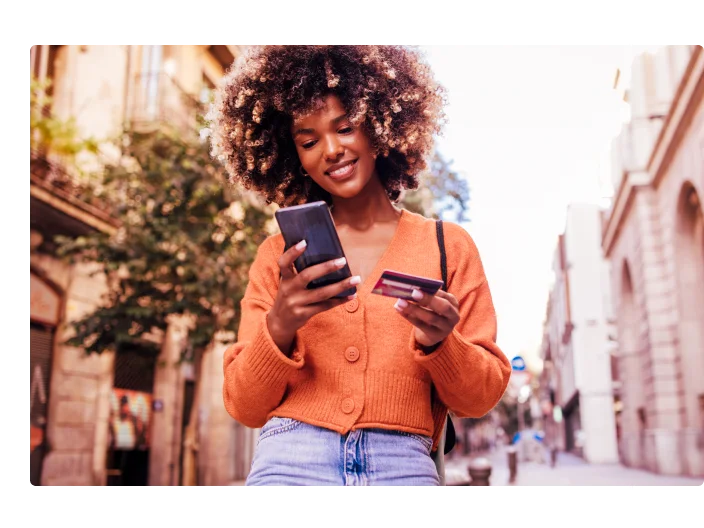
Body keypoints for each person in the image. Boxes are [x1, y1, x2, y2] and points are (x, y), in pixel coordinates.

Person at [208, 44, 511, 487]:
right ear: (293, 156)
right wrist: (279, 324)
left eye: (345, 127)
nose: (330, 150)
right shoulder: (278, 256)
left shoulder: (449, 246)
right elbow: (244, 405)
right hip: (290, 457)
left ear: (380, 126)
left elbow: (479, 398)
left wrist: (443, 343)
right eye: (308, 141)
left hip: (402, 461)